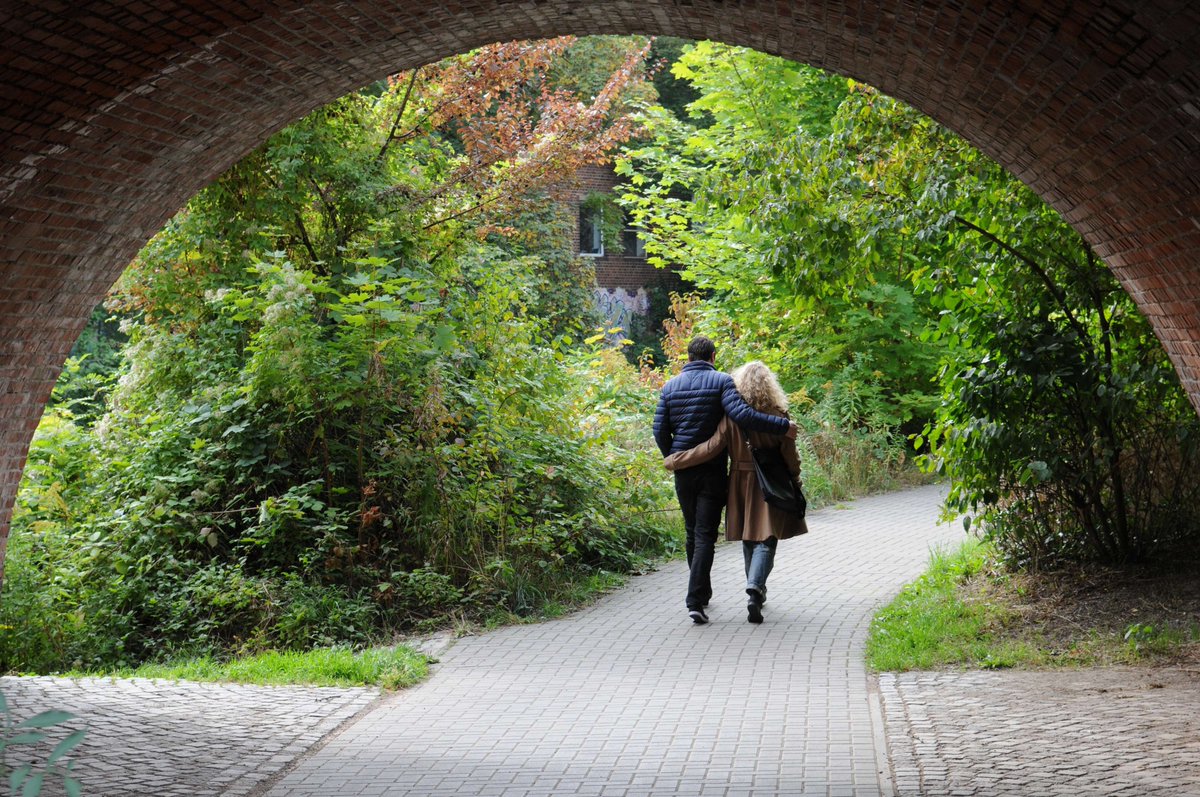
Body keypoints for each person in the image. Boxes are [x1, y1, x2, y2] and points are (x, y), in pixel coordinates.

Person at [654, 337, 798, 625]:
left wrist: (673, 456)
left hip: (690, 469)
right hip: (716, 471)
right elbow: (743, 415)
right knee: (708, 534)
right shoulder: (721, 381)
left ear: (688, 356)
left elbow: (660, 429)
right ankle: (704, 597)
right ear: (713, 355)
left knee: (692, 531)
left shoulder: (669, 386)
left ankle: (701, 596)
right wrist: (784, 426)